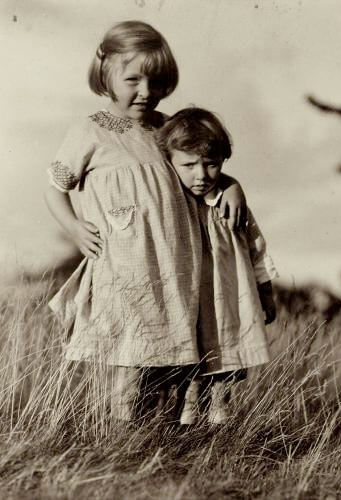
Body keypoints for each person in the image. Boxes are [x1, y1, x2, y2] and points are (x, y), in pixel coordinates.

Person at [44, 21, 247, 423]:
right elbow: (54, 187)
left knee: (172, 357)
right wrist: (73, 227)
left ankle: (161, 440)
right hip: (125, 263)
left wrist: (233, 184)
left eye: (155, 81)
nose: (145, 92)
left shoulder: (167, 128)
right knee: (130, 354)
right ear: (106, 74)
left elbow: (202, 169)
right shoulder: (91, 131)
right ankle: (121, 438)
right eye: (133, 79)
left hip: (175, 263)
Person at [157, 107, 278, 424]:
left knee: (227, 352)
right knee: (190, 356)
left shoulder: (230, 204)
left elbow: (257, 250)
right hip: (188, 298)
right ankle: (185, 420)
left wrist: (266, 293)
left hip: (227, 298)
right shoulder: (172, 204)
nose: (201, 175)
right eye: (189, 165)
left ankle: (220, 419)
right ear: (169, 163)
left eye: (211, 165)